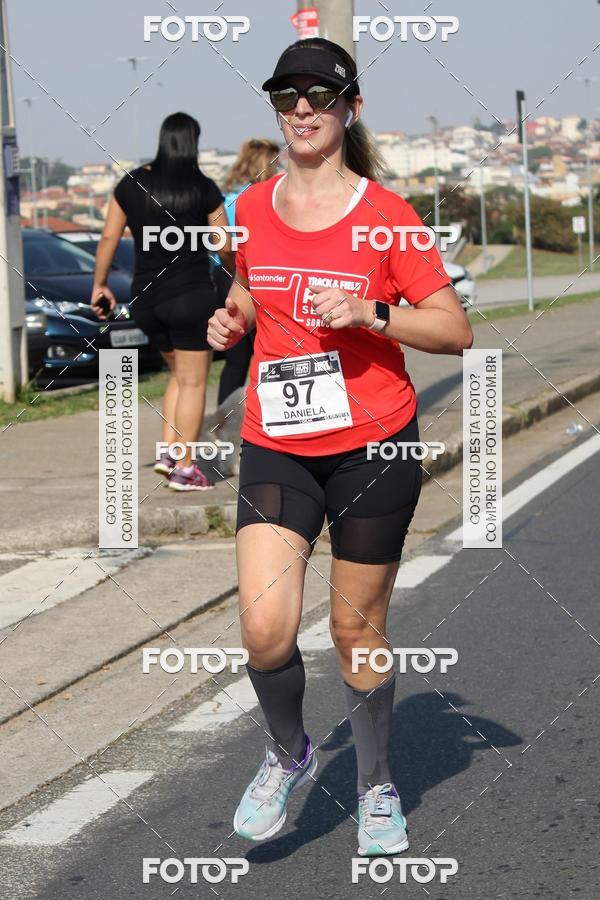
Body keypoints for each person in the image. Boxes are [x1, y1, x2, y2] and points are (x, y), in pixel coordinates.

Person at [207, 38, 473, 856]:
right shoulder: (246, 209)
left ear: (349, 108)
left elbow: (454, 329)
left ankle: (376, 784)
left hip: (373, 447)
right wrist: (234, 320)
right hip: (278, 440)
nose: (302, 110)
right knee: (265, 629)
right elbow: (248, 290)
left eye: (319, 96)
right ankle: (289, 754)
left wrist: (372, 315)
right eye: (287, 97)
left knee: (356, 634)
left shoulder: (387, 216)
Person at [91, 112, 234, 491]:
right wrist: (239, 276)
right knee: (193, 382)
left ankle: (169, 452)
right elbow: (224, 243)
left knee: (177, 375)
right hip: (190, 298)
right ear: (193, 143)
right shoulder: (203, 188)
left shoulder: (132, 182)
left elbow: (108, 239)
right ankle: (185, 469)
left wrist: (100, 284)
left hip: (146, 300)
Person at [213, 138, 280, 407]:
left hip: (224, 274)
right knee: (265, 349)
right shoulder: (263, 199)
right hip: (246, 275)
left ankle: (224, 418)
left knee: (236, 358)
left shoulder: (229, 199)